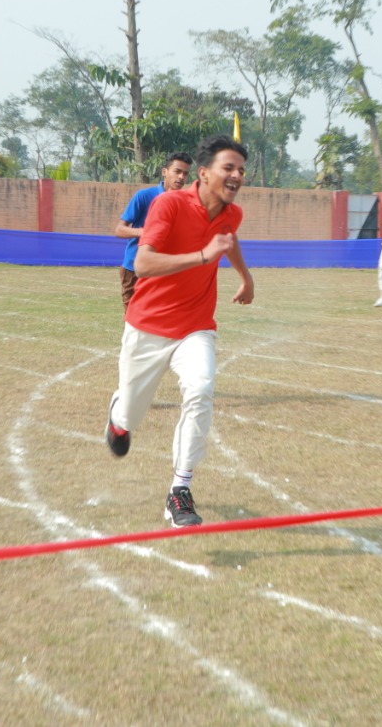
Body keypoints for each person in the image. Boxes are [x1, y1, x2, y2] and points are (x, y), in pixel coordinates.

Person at [104, 135, 254, 527]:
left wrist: (245, 276)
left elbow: (229, 240)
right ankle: (119, 416)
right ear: (203, 174)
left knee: (201, 390)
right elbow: (144, 263)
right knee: (131, 416)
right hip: (148, 326)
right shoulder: (167, 204)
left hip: (196, 327)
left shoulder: (231, 213)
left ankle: (179, 491)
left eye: (241, 170)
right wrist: (202, 256)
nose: (237, 175)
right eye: (229, 168)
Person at [115, 152, 193, 311]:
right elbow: (119, 230)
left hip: (165, 269)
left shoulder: (186, 202)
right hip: (135, 269)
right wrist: (144, 232)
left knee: (162, 320)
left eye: (185, 173)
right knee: (133, 321)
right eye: (177, 171)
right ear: (165, 172)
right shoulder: (144, 196)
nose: (181, 177)